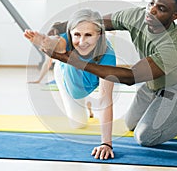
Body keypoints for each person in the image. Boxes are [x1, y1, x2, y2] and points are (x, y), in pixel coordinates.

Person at [44, 0, 177, 147]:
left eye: (161, 9)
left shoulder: (174, 45)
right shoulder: (137, 16)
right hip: (153, 82)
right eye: (152, 2)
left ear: (175, 16)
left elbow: (131, 77)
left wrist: (73, 61)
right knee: (130, 124)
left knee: (145, 136)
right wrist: (61, 26)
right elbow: (96, 24)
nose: (151, 10)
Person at [24, 9, 116, 160]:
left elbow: (106, 99)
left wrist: (107, 143)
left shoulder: (108, 56)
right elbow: (58, 45)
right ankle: (85, 103)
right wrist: (46, 42)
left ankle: (86, 102)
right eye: (77, 34)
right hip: (68, 79)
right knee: (78, 124)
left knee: (89, 94)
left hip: (89, 82)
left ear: (99, 35)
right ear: (70, 33)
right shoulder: (67, 39)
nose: (81, 41)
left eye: (89, 35)